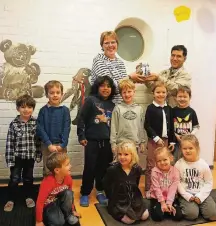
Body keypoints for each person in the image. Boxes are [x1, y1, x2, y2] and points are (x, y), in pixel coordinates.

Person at [77, 76, 116, 207]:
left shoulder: (113, 105)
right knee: (90, 168)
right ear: (97, 87)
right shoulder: (90, 100)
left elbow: (114, 125)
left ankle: (100, 191)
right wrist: (81, 136)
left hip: (107, 142)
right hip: (91, 141)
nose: (106, 88)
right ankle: (85, 193)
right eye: (103, 85)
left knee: (103, 168)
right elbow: (81, 119)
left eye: (108, 86)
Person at [4, 94, 42, 212]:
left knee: (28, 178)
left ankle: (28, 197)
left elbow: (38, 141)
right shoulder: (14, 124)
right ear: (18, 108)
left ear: (33, 109)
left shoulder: (36, 123)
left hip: (30, 157)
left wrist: (38, 154)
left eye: (29, 107)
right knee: (14, 179)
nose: (26, 110)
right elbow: (10, 142)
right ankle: (11, 199)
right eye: (23, 107)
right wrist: (10, 159)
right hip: (17, 157)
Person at [90, 31, 148, 104]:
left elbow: (124, 86)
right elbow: (109, 89)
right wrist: (130, 77)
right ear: (102, 46)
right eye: (106, 43)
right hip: (103, 105)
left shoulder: (120, 62)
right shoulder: (99, 60)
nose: (110, 45)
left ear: (117, 44)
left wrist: (137, 78)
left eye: (113, 42)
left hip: (120, 105)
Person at [175, 135, 216, 221]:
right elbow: (177, 182)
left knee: (213, 215)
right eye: (185, 148)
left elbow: (208, 182)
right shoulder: (178, 164)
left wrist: (200, 196)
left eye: (191, 148)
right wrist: (187, 196)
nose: (187, 151)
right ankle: (192, 208)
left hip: (201, 193)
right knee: (192, 215)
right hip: (187, 194)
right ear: (181, 149)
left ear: (197, 148)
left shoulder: (203, 164)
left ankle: (201, 207)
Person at [103, 141, 149, 224]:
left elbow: (136, 184)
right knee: (130, 220)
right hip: (119, 201)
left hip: (134, 199)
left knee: (145, 216)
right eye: (120, 154)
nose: (122, 157)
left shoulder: (137, 169)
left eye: (126, 154)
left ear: (132, 155)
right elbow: (106, 185)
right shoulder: (112, 170)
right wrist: (111, 198)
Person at [144, 81, 175, 196]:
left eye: (163, 92)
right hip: (154, 141)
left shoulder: (169, 109)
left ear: (166, 93)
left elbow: (171, 126)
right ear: (153, 93)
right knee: (151, 164)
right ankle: (148, 188)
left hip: (166, 141)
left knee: (164, 164)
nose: (160, 94)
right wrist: (156, 138)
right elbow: (147, 125)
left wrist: (172, 141)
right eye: (158, 92)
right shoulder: (150, 108)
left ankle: (162, 188)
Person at [36, 152, 80, 226]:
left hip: (59, 200)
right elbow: (39, 203)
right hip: (49, 205)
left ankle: (68, 215)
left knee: (69, 193)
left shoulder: (68, 178)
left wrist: (72, 210)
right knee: (59, 223)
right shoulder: (47, 183)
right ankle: (55, 215)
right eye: (67, 165)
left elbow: (70, 198)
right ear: (57, 170)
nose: (71, 166)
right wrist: (39, 221)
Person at [36, 80, 71, 176]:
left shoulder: (65, 110)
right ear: (47, 95)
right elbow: (40, 128)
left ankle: (62, 189)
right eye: (51, 93)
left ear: (62, 94)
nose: (55, 95)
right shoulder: (43, 111)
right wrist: (49, 144)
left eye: (58, 92)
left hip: (61, 146)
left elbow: (66, 128)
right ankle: (49, 190)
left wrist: (63, 145)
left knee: (62, 168)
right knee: (48, 170)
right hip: (48, 146)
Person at [110, 78, 146, 154]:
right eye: (124, 92)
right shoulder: (117, 108)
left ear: (134, 92)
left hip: (134, 145)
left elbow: (141, 127)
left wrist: (142, 142)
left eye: (129, 91)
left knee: (133, 165)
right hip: (121, 145)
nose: (127, 94)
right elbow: (113, 127)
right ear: (121, 94)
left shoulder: (139, 109)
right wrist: (113, 144)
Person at [149, 147, 183, 221]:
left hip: (171, 198)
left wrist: (169, 203)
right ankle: (164, 210)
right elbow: (156, 188)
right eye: (159, 161)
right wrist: (162, 203)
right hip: (157, 198)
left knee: (178, 216)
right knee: (157, 217)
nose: (162, 163)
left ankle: (167, 210)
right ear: (155, 162)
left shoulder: (175, 171)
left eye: (165, 160)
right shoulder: (154, 172)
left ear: (170, 158)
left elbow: (173, 189)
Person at [172, 86, 199, 162]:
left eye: (185, 97)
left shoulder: (192, 112)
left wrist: (190, 135)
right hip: (176, 142)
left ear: (189, 98)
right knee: (175, 160)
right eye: (180, 96)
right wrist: (175, 135)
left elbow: (196, 126)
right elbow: (170, 127)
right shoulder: (172, 111)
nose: (182, 99)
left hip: (188, 143)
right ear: (175, 98)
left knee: (187, 159)